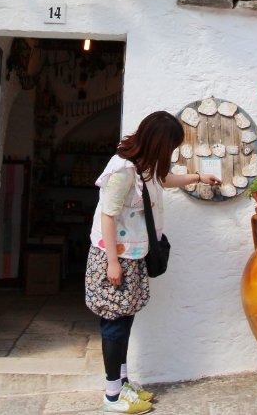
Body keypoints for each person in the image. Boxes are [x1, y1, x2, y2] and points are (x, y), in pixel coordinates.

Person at [85, 110, 221, 413]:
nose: (171, 153)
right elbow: (108, 216)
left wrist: (199, 177)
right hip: (115, 257)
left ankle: (122, 383)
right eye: (170, 147)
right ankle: (112, 396)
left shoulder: (144, 165)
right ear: (159, 143)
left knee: (125, 319)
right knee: (114, 323)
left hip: (132, 256)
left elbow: (164, 180)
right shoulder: (123, 170)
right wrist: (112, 263)